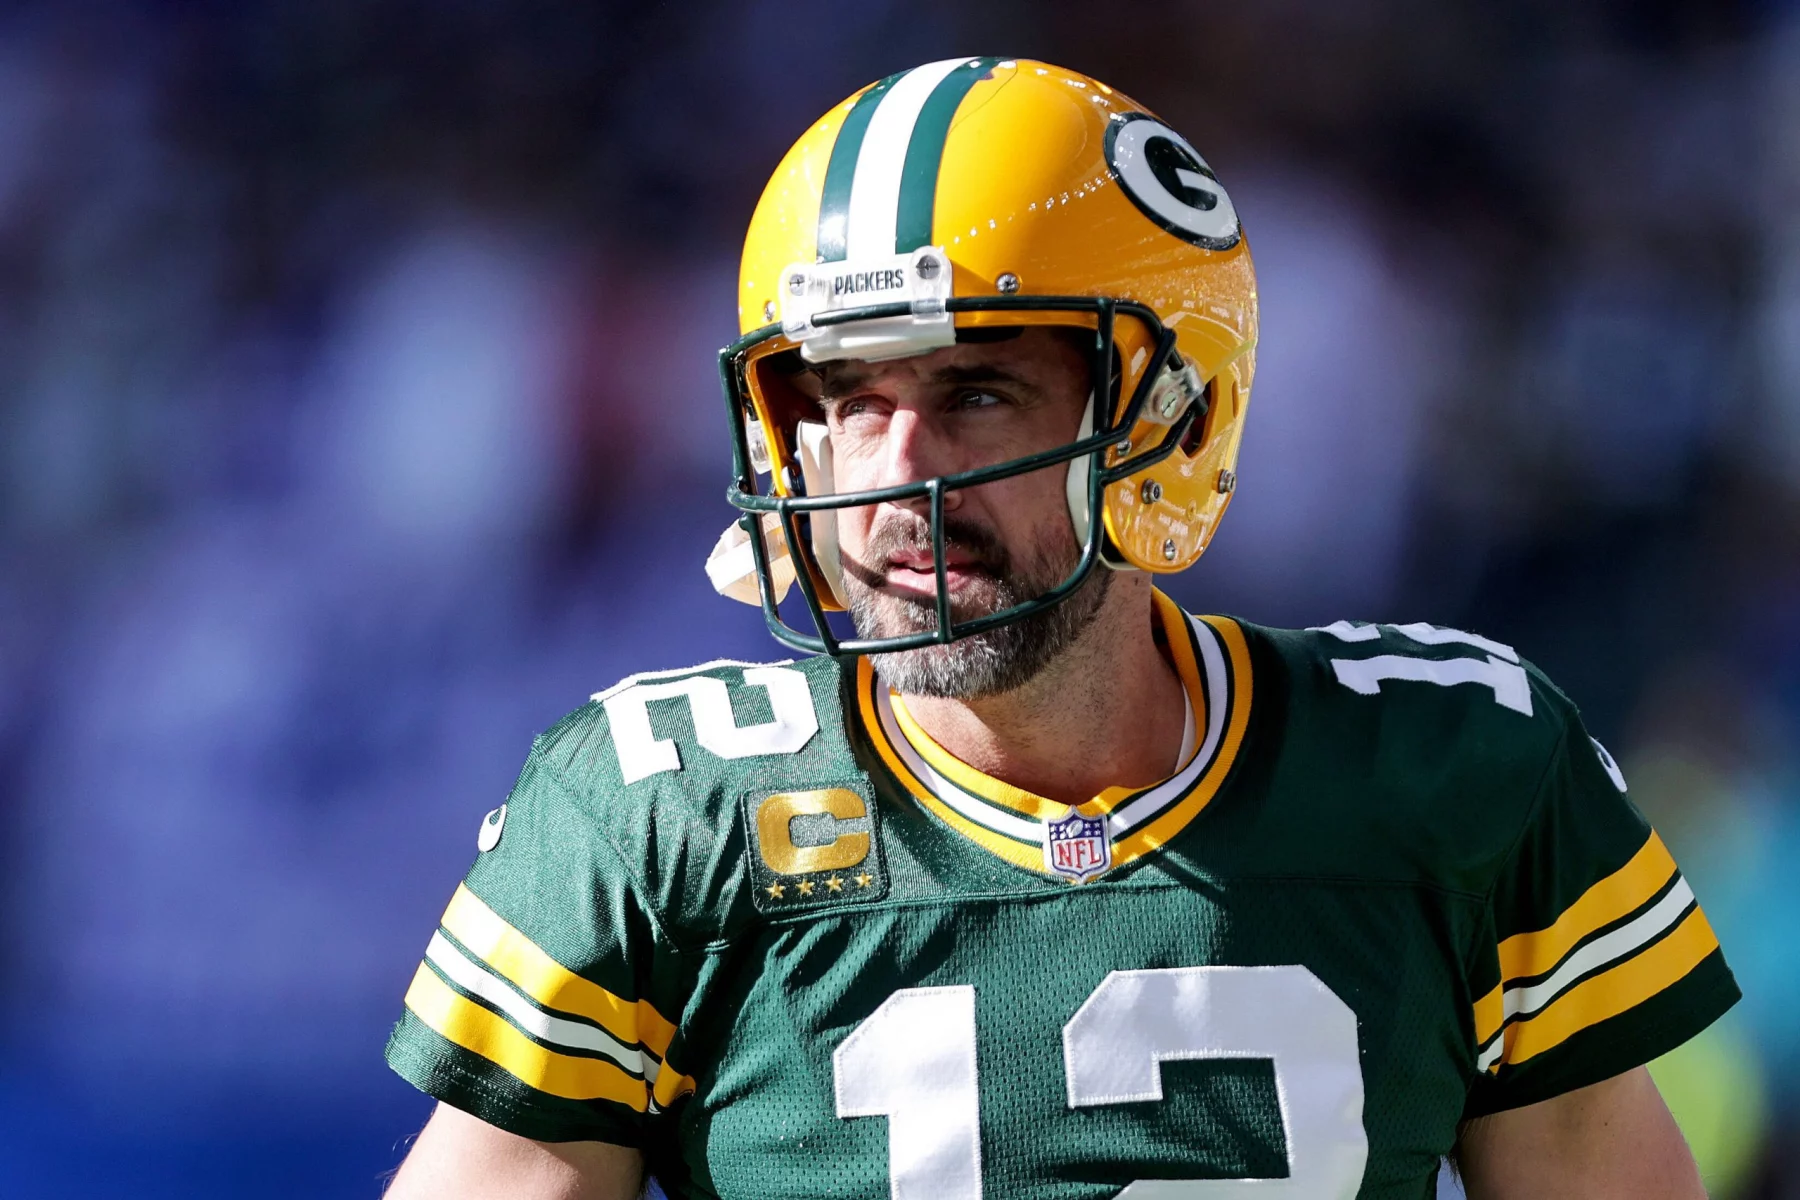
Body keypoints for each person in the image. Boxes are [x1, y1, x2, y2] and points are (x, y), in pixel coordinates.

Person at [382, 58, 1737, 1199]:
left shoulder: (1453, 772)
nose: (897, 477)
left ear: (1169, 420)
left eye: (976, 395)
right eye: (850, 401)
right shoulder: (656, 819)